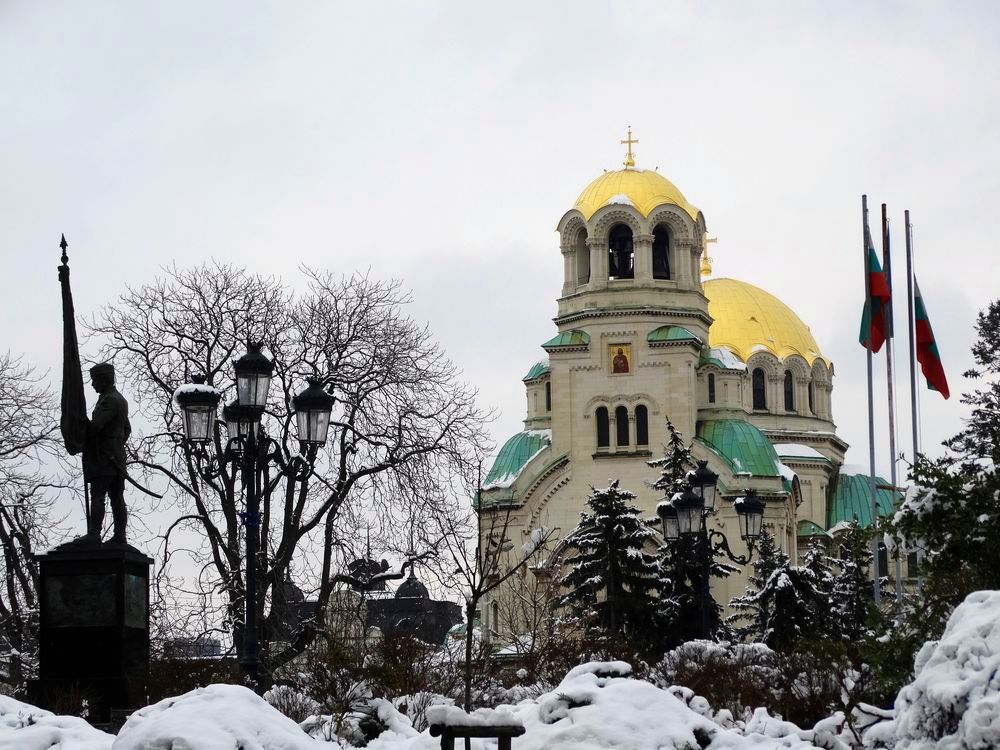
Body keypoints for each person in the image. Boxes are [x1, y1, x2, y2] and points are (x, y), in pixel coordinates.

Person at [83, 362, 131, 543]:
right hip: (116, 456)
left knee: (98, 495)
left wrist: (80, 421)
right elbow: (127, 429)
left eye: (95, 380)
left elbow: (96, 426)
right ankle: (120, 536)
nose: (93, 384)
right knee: (117, 496)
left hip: (105, 458)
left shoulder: (109, 399)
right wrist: (116, 444)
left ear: (104, 379)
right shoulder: (121, 399)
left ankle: (94, 534)